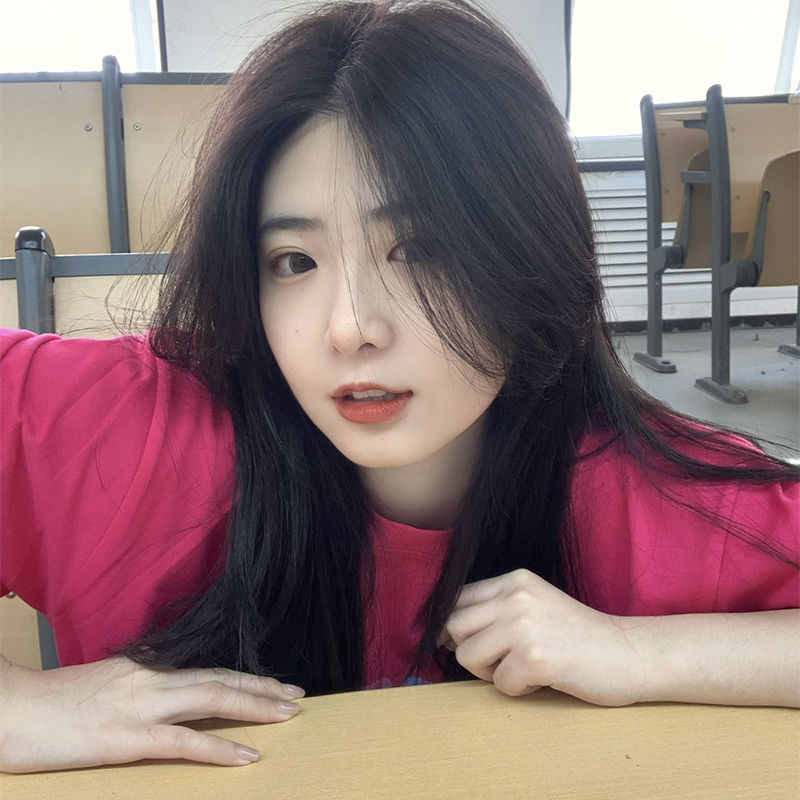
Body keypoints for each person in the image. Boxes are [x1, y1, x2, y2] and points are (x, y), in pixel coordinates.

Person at [1, 0, 798, 775]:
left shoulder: (652, 492)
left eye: (420, 251)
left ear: (530, 253)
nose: (350, 327)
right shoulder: (129, 428)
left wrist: (638, 651)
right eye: (294, 262)